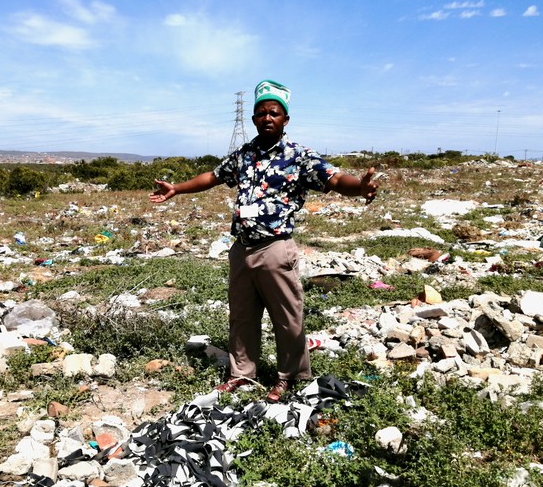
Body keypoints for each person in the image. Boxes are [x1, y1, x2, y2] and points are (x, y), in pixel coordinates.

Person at [149, 79, 378, 403]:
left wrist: (359, 188)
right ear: (253, 119)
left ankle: (289, 377)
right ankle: (241, 375)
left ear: (285, 119)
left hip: (275, 249)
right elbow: (213, 177)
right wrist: (177, 188)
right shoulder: (244, 154)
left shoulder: (299, 156)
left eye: (274, 112)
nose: (267, 117)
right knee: (241, 316)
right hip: (242, 249)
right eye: (261, 113)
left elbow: (335, 178)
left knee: (287, 317)